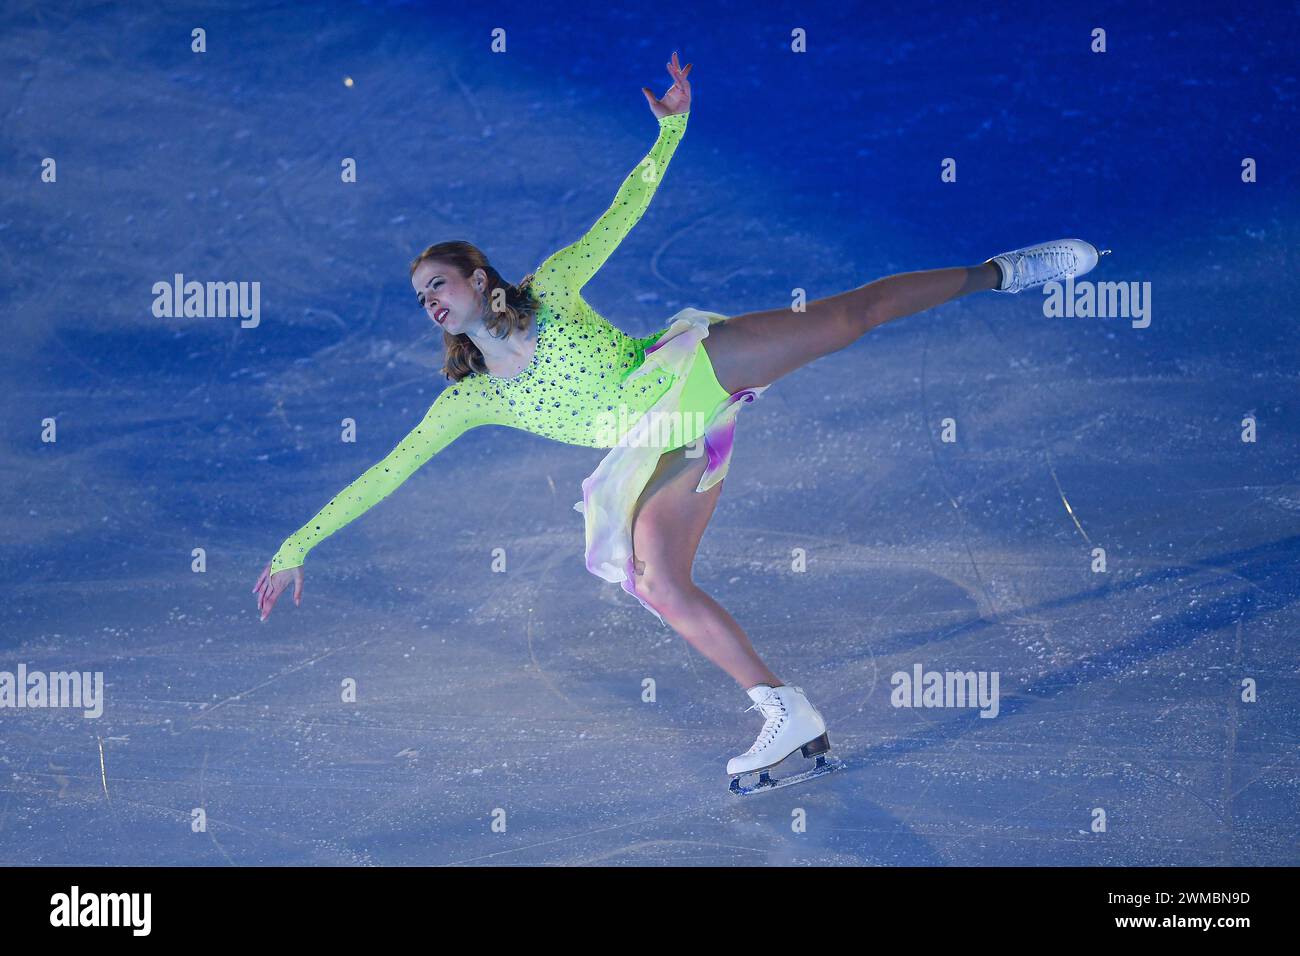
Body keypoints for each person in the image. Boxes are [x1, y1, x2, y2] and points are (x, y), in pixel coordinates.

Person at [253, 52, 1103, 787]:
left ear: (480, 279)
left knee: (847, 320)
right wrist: (296, 548)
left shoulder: (552, 289)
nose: (429, 302)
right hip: (654, 443)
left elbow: (621, 213)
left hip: (689, 371)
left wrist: (669, 132)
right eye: (419, 298)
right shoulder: (472, 398)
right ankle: (784, 711)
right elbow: (389, 469)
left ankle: (1003, 270)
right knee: (656, 577)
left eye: (438, 284)